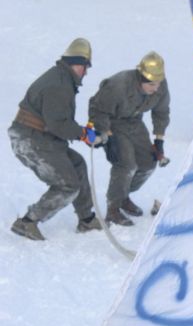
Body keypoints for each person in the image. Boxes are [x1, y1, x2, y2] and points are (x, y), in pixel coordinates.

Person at [8, 38, 104, 241]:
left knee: (77, 163)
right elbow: (58, 124)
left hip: (42, 137)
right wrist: (83, 134)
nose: (85, 72)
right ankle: (27, 222)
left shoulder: (62, 79)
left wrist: (81, 132)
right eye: (84, 67)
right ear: (75, 64)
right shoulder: (59, 84)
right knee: (67, 185)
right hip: (30, 139)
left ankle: (86, 219)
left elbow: (57, 121)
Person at [88, 52, 170, 226]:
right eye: (151, 84)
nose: (156, 88)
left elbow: (161, 112)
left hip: (134, 121)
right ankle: (113, 208)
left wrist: (159, 140)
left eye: (158, 83)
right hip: (113, 122)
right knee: (126, 164)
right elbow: (97, 110)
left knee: (148, 163)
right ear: (141, 78)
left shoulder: (159, 85)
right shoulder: (119, 85)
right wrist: (108, 138)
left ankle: (124, 195)